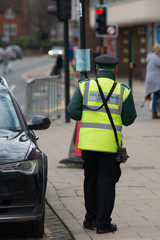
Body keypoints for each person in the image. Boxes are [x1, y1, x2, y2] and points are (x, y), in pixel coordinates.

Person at [67, 54, 137, 234]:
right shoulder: (123, 90)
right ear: (116, 70)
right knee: (106, 182)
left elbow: (72, 112)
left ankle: (90, 220)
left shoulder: (85, 86)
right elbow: (129, 119)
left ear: (96, 69)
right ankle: (103, 223)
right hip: (109, 144)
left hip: (88, 144)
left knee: (90, 180)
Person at [145, 44, 160, 119]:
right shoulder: (155, 57)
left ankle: (154, 113)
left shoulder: (150, 56)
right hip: (156, 80)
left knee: (155, 96)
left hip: (150, 79)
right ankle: (156, 111)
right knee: (158, 95)